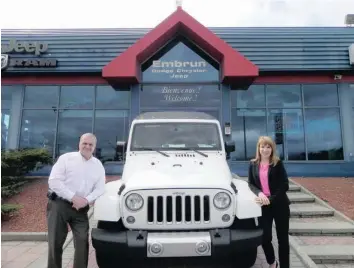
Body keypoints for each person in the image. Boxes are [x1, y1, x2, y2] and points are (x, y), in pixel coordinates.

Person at [47, 133, 106, 268]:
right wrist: (73, 197)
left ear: (94, 147)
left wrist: (86, 200)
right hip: (59, 205)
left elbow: (100, 188)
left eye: (91, 144)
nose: (87, 146)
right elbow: (54, 181)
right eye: (84, 143)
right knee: (55, 242)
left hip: (81, 209)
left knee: (82, 241)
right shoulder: (66, 159)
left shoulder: (98, 165)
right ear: (79, 143)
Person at [248, 136, 290, 268]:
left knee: (282, 240)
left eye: (268, 147)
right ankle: (272, 262)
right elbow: (251, 184)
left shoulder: (277, 163)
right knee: (265, 237)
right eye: (262, 147)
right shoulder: (253, 164)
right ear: (258, 148)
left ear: (272, 149)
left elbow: (284, 185)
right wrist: (260, 193)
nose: (265, 149)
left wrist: (270, 199)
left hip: (280, 205)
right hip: (264, 206)